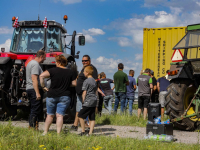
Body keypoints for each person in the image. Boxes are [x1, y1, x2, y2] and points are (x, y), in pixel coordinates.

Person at [39, 55, 77, 135]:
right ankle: (58, 134)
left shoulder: (52, 70)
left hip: (52, 95)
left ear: (59, 62)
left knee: (50, 115)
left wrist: (43, 87)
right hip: (65, 96)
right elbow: (74, 83)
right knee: (60, 116)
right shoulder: (71, 72)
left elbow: (41, 76)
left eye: (56, 62)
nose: (55, 63)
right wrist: (66, 84)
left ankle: (45, 132)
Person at [71, 55, 104, 131]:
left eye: (85, 61)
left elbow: (95, 81)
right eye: (82, 61)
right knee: (78, 109)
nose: (84, 62)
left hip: (85, 93)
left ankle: (83, 127)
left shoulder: (92, 69)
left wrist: (92, 92)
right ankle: (76, 125)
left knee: (84, 110)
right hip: (80, 92)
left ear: (90, 60)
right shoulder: (84, 68)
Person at [26, 50, 46, 129]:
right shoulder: (35, 64)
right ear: (41, 56)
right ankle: (32, 127)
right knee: (35, 109)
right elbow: (34, 79)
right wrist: (37, 93)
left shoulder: (30, 63)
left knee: (34, 108)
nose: (44, 59)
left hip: (30, 89)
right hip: (34, 89)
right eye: (44, 58)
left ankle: (34, 126)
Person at [78, 66, 98, 136]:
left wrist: (83, 102)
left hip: (88, 100)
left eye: (84, 72)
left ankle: (83, 131)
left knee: (80, 115)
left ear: (87, 72)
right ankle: (90, 133)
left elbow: (84, 92)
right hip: (94, 100)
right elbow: (96, 91)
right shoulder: (94, 81)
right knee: (92, 117)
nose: (83, 73)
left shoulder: (86, 81)